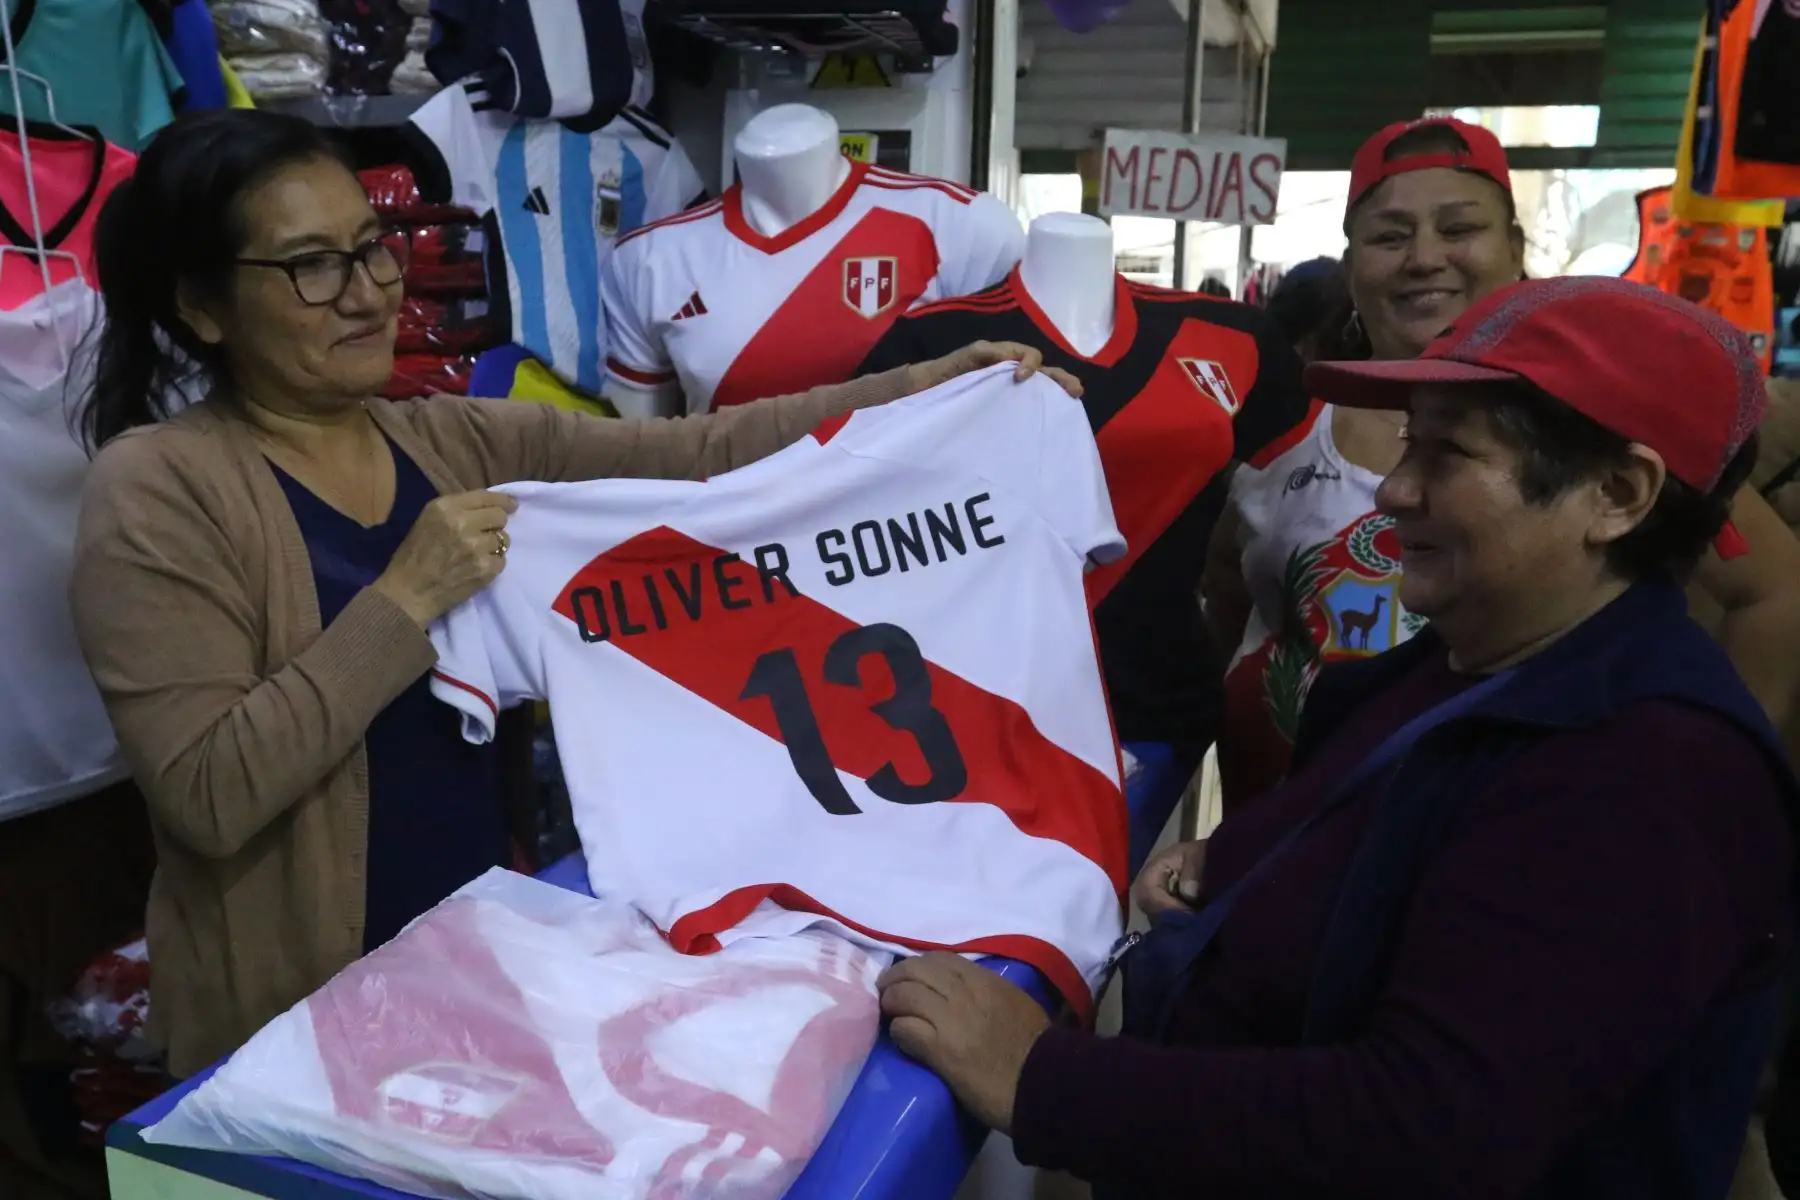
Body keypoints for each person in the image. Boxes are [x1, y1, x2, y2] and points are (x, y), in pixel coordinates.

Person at [66, 108, 1080, 1080]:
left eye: (372, 246)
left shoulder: (450, 437)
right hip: (287, 1027)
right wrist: (404, 602)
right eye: (311, 265)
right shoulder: (158, 488)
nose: (370, 290)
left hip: (470, 977)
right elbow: (206, 796)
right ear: (200, 305)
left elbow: (697, 457)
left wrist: (928, 391)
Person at [878, 277, 1798, 1199]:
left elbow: (1425, 1130)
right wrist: (1242, 860)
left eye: (1448, 454)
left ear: (1618, 493)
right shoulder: (1478, 659)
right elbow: (1394, 827)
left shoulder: (1645, 778)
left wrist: (1040, 1079)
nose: (1395, 490)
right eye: (1409, 444)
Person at [1206, 116, 1800, 810]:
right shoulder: (1280, 429)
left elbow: (1776, 596)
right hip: (1294, 848)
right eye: (1390, 236)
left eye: (1459, 229)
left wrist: (1698, 790)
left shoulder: (1598, 429)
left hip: (1516, 839)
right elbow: (1226, 605)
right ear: (1351, 263)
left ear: (1515, 246)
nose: (1424, 257)